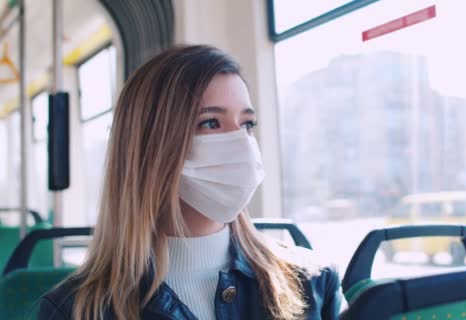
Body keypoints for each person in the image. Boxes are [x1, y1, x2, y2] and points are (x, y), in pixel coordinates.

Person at [38, 45, 341, 320]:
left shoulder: (312, 282)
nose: (241, 143)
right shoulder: (76, 310)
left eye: (247, 124)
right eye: (210, 123)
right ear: (151, 145)